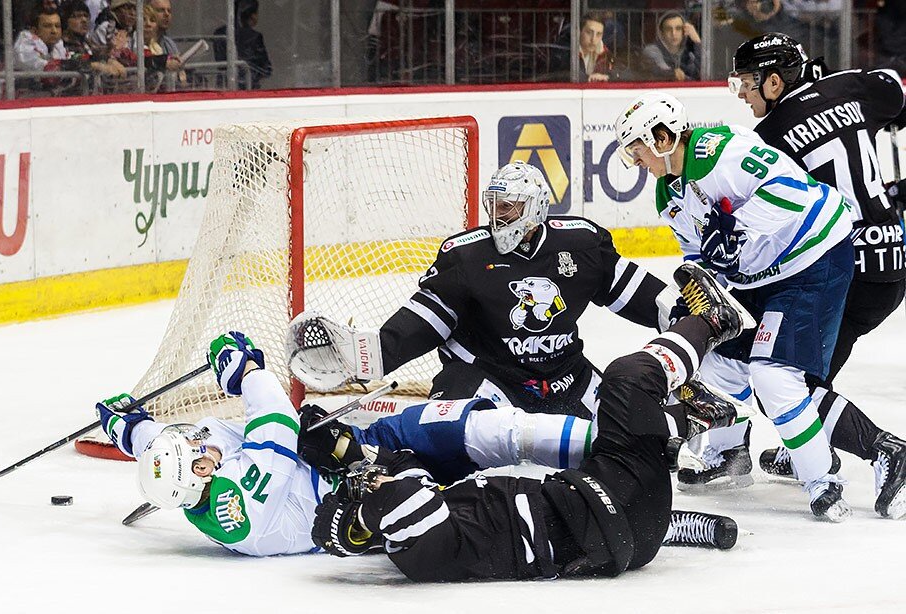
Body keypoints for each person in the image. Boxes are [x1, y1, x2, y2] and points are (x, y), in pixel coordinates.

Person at [96, 328, 743, 556]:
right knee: (507, 484)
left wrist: (135, 430)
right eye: (201, 460)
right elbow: (271, 420)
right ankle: (635, 464)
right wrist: (245, 371)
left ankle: (617, 445)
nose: (205, 449)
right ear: (203, 483)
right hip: (370, 493)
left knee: (485, 427)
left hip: (357, 457)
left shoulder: (198, 490)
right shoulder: (243, 499)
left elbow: (188, 450)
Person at [308, 262, 750, 580]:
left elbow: (406, 473)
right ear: (370, 524)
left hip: (633, 537)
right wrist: (362, 502)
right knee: (626, 380)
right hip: (604, 507)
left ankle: (683, 440)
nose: (373, 484)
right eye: (367, 496)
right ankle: (710, 324)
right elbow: (404, 492)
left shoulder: (422, 533)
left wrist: (355, 453)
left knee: (596, 449)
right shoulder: (418, 548)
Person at [287, 161, 687, 423]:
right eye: (494, 206)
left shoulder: (580, 242)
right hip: (489, 378)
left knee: (639, 431)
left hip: (565, 376)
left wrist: (682, 315)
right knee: (448, 438)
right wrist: (374, 354)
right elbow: (428, 317)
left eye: (509, 208)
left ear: (534, 209)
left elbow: (627, 287)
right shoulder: (467, 256)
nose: (498, 216)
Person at [615, 91, 856, 521]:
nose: (637, 163)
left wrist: (739, 231)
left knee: (773, 375)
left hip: (810, 256)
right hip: (763, 273)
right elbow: (699, 254)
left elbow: (791, 192)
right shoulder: (667, 195)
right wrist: (700, 293)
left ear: (663, 137)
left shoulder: (720, 152)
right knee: (699, 355)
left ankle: (823, 480)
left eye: (638, 150)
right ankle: (731, 451)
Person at [704, 33, 906, 520]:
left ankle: (886, 450)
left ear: (776, 81)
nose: (744, 94)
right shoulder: (855, 86)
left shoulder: (768, 138)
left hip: (840, 265)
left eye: (750, 84)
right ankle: (807, 446)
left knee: (781, 374)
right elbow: (894, 92)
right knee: (793, 371)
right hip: (892, 257)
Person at [213, 0, 272, 89]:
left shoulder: (219, 34)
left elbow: (220, 62)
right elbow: (266, 69)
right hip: (248, 88)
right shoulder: (255, 37)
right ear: (252, 15)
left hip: (223, 87)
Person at [59, 0, 125, 78]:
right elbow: (66, 63)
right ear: (66, 20)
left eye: (86, 16)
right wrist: (94, 65)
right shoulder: (60, 44)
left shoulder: (88, 43)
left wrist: (109, 59)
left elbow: (97, 56)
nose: (84, 20)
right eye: (77, 16)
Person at [641, 11, 701, 82]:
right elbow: (666, 73)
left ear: (684, 31)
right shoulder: (651, 50)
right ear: (661, 33)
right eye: (668, 29)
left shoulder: (689, 54)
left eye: (678, 29)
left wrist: (697, 42)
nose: (673, 33)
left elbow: (700, 72)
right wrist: (684, 78)